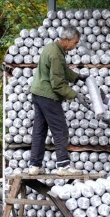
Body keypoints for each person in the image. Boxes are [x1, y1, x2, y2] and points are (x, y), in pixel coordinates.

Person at [28, 25, 88, 176]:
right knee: (60, 129)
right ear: (66, 40)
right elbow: (57, 84)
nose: (75, 46)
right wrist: (76, 95)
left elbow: (62, 70)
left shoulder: (51, 48)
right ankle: (63, 166)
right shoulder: (56, 55)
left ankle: (34, 165)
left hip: (38, 93)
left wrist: (77, 77)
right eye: (75, 42)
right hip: (48, 96)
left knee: (39, 130)